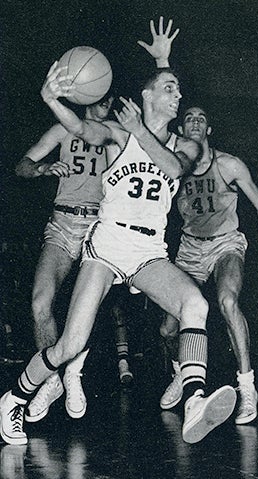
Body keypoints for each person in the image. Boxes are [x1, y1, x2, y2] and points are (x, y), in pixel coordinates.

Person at [0, 19, 236, 447]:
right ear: (146, 96)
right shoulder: (117, 134)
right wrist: (50, 98)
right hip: (107, 244)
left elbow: (173, 169)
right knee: (70, 343)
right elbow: (79, 129)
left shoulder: (186, 145)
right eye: (169, 89)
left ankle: (195, 400)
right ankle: (13, 399)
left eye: (179, 91)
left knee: (195, 305)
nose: (178, 96)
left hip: (147, 249)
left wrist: (157, 91)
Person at [159, 106, 258, 424]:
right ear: (182, 130)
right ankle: (182, 373)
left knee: (228, 302)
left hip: (226, 244)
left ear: (208, 130)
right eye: (189, 118)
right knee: (168, 328)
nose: (196, 122)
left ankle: (247, 387)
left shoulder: (228, 164)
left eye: (202, 118)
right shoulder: (173, 167)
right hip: (188, 249)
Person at [14, 92, 114, 423]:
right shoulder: (62, 130)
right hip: (61, 222)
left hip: (97, 225)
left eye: (110, 101)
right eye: (102, 99)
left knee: (82, 308)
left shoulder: (115, 133)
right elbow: (22, 165)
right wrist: (43, 168)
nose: (106, 106)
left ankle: (74, 371)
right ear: (88, 95)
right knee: (40, 304)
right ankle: (53, 380)